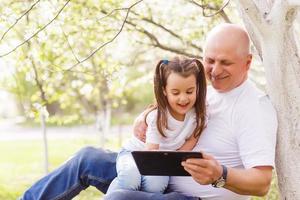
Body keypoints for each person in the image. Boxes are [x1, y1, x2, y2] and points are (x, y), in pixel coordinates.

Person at [20, 23, 277, 200]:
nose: (214, 70)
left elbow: (262, 182)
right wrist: (145, 116)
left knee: (119, 197)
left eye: (226, 62)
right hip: (155, 172)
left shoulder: (253, 107)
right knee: (88, 158)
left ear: (248, 62)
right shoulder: (202, 90)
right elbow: (171, 104)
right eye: (210, 60)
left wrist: (220, 174)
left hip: (190, 197)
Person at [106, 57, 207, 195]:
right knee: (130, 179)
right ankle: (113, 195)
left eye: (189, 91)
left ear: (197, 88)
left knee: (156, 185)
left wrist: (173, 161)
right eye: (175, 93)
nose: (183, 98)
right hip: (136, 154)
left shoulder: (198, 116)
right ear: (164, 90)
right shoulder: (157, 117)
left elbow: (190, 142)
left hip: (160, 161)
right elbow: (149, 156)